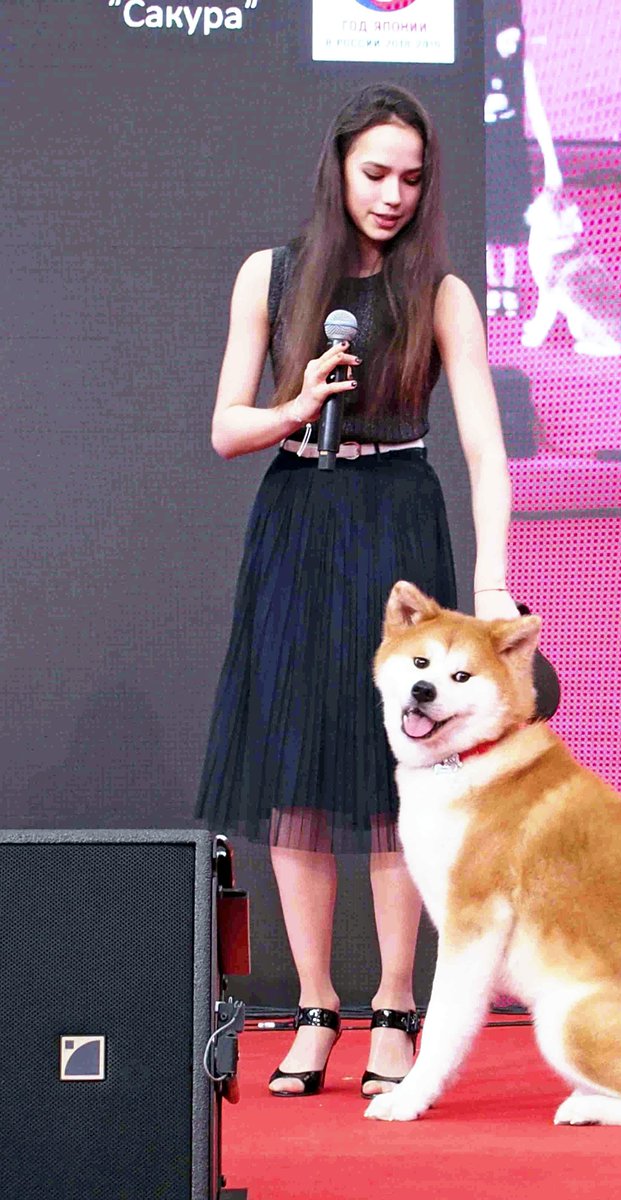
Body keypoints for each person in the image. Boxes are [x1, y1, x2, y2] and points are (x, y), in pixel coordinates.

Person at [195, 82, 519, 1098]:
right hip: (299, 514)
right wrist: (294, 406)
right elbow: (227, 429)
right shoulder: (271, 274)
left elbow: (486, 450)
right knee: (296, 777)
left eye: (411, 179)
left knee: (395, 777)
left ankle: (393, 1007)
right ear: (337, 168)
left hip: (398, 526)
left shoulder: (442, 292)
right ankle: (314, 1007)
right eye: (376, 173)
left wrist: (493, 583)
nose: (392, 196)